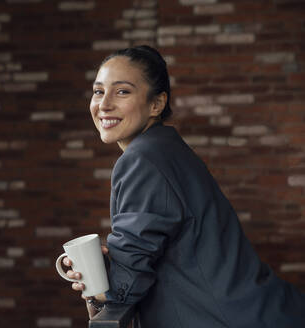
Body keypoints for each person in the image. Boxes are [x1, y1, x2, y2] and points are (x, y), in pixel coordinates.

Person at [62, 45, 305, 327]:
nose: (104, 104)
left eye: (122, 91)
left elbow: (124, 287)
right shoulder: (166, 148)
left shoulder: (142, 159)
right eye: (98, 91)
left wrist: (97, 286)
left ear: (157, 104)